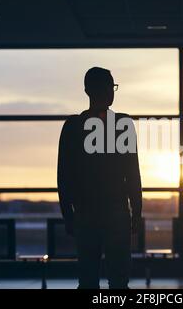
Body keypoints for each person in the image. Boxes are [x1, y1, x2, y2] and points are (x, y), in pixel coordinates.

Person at [57, 67, 142, 289]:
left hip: (86, 212)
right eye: (111, 86)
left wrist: (68, 215)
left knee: (87, 278)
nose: (113, 91)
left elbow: (64, 176)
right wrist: (136, 211)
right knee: (119, 280)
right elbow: (132, 173)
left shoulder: (72, 127)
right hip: (116, 212)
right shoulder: (123, 125)